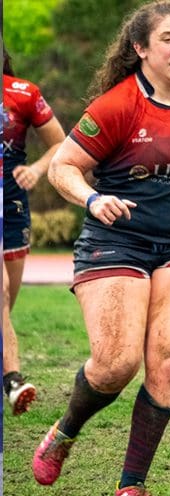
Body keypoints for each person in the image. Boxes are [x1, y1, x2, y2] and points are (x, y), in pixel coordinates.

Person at [32, 2, 170, 496]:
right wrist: (93, 197)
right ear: (141, 48)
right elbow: (63, 166)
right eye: (167, 39)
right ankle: (65, 430)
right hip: (116, 242)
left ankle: (132, 485)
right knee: (116, 363)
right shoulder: (117, 105)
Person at [2, 46, 67, 415]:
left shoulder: (24, 93)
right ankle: (12, 379)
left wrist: (37, 171)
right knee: (2, 289)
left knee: (8, 299)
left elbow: (59, 143)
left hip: (11, 204)